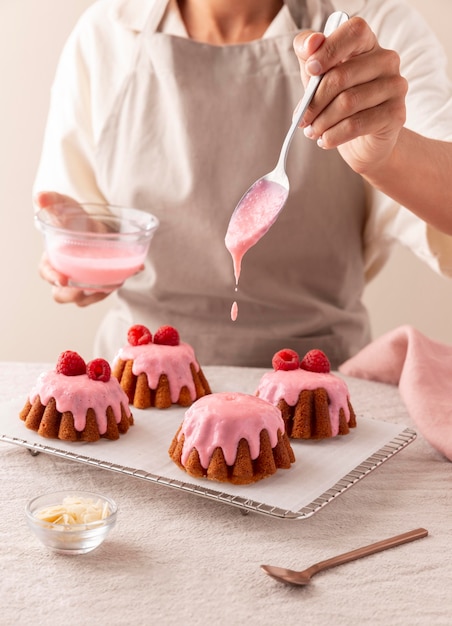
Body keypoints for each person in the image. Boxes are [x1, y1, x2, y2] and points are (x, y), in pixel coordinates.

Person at [34, 0, 452, 368]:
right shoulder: (106, 35)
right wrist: (88, 250)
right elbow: (89, 221)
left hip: (319, 390)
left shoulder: (372, 30)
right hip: (140, 388)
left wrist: (387, 155)